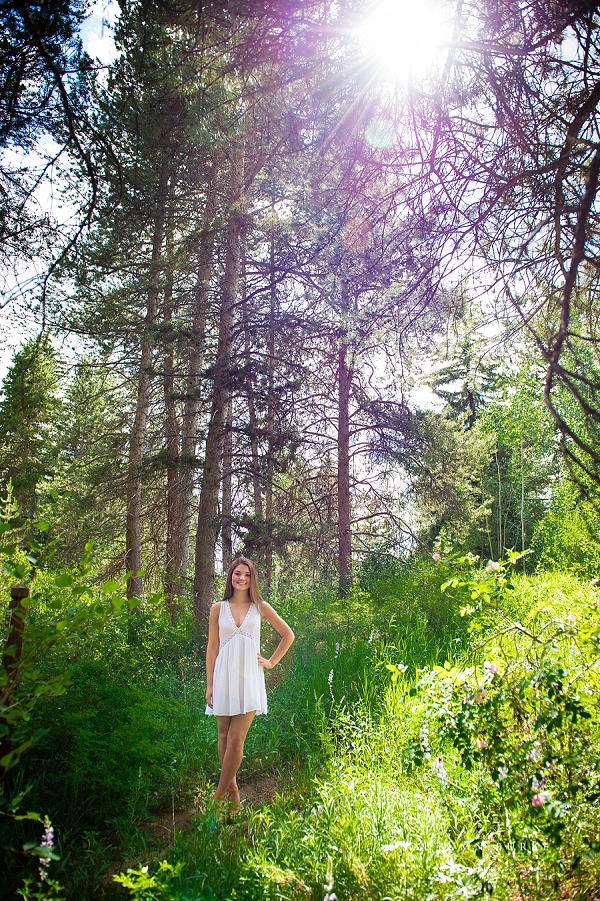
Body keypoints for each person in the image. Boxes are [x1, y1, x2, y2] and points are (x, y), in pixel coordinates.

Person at [205, 556, 295, 804]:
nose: (242, 578)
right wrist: (210, 684)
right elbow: (213, 647)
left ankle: (218, 796)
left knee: (236, 738)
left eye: (246, 574)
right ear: (231, 577)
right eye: (237, 574)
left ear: (252, 578)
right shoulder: (217, 609)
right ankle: (233, 794)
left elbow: (288, 635)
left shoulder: (261, 607)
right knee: (222, 736)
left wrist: (271, 662)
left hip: (250, 679)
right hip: (223, 677)